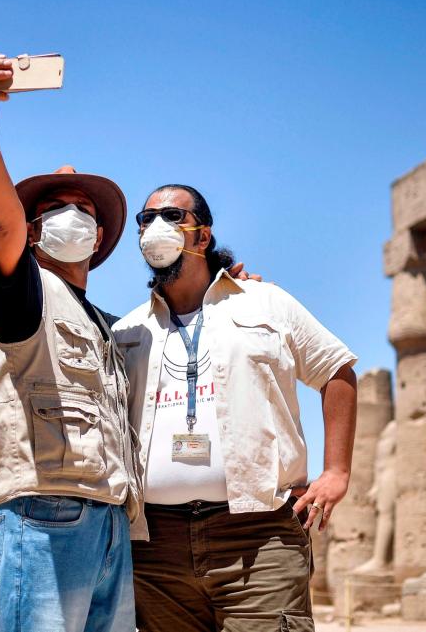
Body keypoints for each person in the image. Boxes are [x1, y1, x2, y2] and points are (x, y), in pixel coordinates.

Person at [112, 184, 358, 632]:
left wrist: (336, 471)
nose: (154, 228)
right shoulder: (128, 330)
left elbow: (336, 370)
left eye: (170, 216)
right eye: (145, 220)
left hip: (258, 534)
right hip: (154, 543)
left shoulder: (266, 301)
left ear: (202, 236)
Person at [0, 53, 141, 632]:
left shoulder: (108, 325)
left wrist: (232, 282)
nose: (75, 216)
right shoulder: (27, 293)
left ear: (99, 237)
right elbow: (1, 226)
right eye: (58, 209)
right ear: (35, 229)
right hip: (45, 515)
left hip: (112, 521)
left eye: (86, 210)